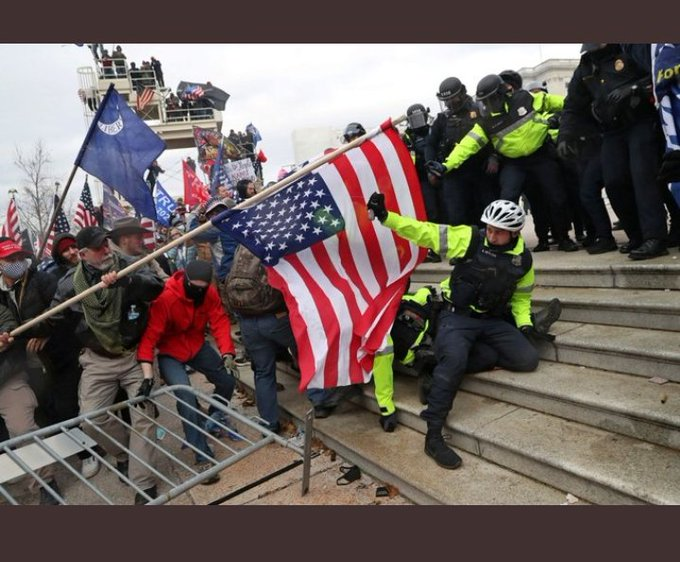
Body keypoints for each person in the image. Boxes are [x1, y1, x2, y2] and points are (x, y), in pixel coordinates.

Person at [367, 194, 540, 469]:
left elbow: (521, 298)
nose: (491, 235)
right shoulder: (470, 239)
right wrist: (387, 218)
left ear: (515, 233)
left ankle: (437, 366)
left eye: (499, 232)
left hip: (490, 320)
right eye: (490, 229)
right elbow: (424, 231)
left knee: (527, 359)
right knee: (455, 361)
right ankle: (433, 435)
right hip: (456, 316)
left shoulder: (523, 260)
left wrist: (525, 324)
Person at [46, 226, 165, 504]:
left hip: (134, 357)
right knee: (91, 420)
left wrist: (127, 281)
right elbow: (53, 316)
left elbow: (155, 288)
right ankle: (125, 456)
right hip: (97, 359)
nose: (106, 250)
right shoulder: (70, 284)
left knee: (143, 416)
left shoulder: (129, 265)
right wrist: (16, 334)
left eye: (106, 244)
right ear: (83, 254)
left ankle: (143, 484)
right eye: (99, 248)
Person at [428, 74, 578, 252]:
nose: (488, 104)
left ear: (502, 93)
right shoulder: (486, 120)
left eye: (491, 99)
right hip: (514, 163)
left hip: (541, 156)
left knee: (556, 197)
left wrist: (567, 117)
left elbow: (565, 103)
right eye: (485, 101)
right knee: (506, 201)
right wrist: (446, 165)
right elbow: (467, 145)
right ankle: (507, 243)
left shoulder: (526, 98)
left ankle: (564, 238)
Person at [558, 43, 668, 260]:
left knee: (643, 179)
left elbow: (658, 74)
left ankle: (655, 238)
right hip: (612, 131)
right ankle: (636, 236)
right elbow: (572, 106)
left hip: (640, 122)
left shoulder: (628, 49)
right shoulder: (586, 66)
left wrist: (634, 88)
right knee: (614, 182)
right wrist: (565, 135)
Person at [137, 260, 240, 483]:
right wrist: (147, 374)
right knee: (185, 396)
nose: (199, 291)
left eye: (203, 287)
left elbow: (219, 320)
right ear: (186, 280)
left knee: (227, 380)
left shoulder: (209, 293)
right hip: (170, 351)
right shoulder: (166, 298)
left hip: (196, 344)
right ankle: (201, 454)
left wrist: (227, 353)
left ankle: (213, 417)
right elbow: (150, 336)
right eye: (195, 286)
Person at [0, 240, 61, 504]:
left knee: (23, 429)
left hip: (6, 378)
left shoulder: (38, 282)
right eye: (10, 259)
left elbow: (8, 321)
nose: (17, 263)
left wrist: (5, 335)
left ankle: (45, 482)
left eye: (19, 258)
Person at [426, 77, 500, 228]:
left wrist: (494, 156)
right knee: (456, 216)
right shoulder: (442, 119)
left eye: (452, 98)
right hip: (453, 173)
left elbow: (496, 136)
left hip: (480, 170)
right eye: (445, 100)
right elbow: (430, 145)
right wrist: (431, 169)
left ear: (462, 93)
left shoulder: (480, 111)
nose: (449, 103)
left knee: (488, 213)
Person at [109, 216, 169, 281]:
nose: (142, 240)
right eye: (139, 237)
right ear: (124, 240)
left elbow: (165, 279)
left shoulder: (147, 258)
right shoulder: (112, 265)